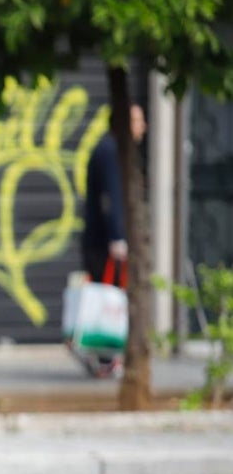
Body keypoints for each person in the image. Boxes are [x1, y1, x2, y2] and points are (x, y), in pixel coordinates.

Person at [79, 103, 146, 377]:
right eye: (138, 120)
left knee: (108, 298)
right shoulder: (110, 152)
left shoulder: (109, 149)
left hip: (99, 239)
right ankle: (104, 359)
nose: (143, 126)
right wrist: (118, 238)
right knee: (109, 301)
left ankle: (104, 358)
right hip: (103, 242)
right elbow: (112, 198)